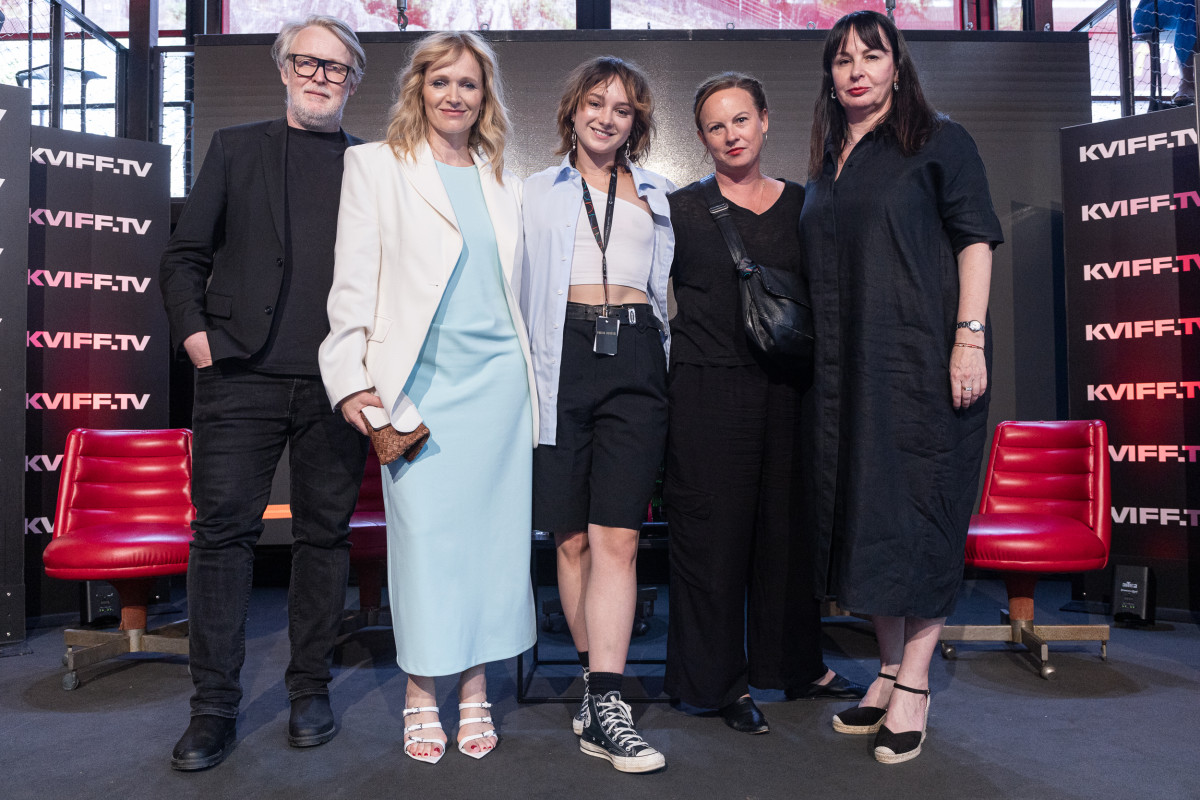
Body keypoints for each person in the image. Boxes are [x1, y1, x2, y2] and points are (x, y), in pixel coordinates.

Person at [319, 30, 535, 765]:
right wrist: (351, 378)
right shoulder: (375, 166)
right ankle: (420, 690)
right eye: (441, 81)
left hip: (498, 390)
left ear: (485, 96)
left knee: (491, 549)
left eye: (468, 83)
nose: (454, 95)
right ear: (419, 88)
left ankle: (474, 689)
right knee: (425, 546)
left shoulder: (503, 177)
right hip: (415, 391)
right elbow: (352, 282)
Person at [159, 15, 368, 771]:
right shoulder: (235, 147)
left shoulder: (372, 165)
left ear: (353, 81)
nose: (319, 76)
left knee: (325, 539)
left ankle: (310, 689)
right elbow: (184, 254)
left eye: (335, 67)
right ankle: (213, 708)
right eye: (307, 62)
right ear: (283, 68)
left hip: (336, 385)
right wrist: (195, 335)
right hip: (238, 376)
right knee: (221, 539)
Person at [798, 10, 1003, 765]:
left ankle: (915, 682)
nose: (856, 70)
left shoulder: (940, 141)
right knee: (867, 519)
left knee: (919, 517)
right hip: (846, 376)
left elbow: (975, 239)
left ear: (897, 65)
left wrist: (968, 338)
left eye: (871, 55)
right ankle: (886, 670)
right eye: (842, 59)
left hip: (921, 366)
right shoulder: (828, 160)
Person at [663, 72, 865, 736]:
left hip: (789, 390)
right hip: (706, 392)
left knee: (789, 535)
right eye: (716, 126)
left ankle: (795, 666)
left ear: (765, 120)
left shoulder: (805, 205)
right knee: (711, 541)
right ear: (701, 137)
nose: (731, 135)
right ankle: (718, 683)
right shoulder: (680, 209)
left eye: (741, 120)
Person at [520, 56, 673, 774]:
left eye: (622, 108)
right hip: (560, 357)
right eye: (595, 102)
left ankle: (608, 700)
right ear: (572, 109)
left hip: (636, 356)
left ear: (636, 122)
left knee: (619, 535)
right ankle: (594, 687)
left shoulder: (661, 194)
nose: (607, 117)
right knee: (572, 539)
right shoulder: (535, 191)